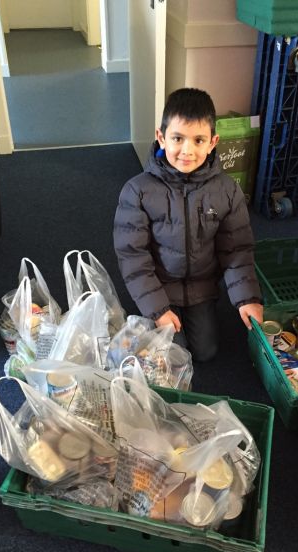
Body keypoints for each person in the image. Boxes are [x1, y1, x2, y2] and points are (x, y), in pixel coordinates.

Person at [113, 87, 263, 362]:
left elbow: (236, 249)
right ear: (161, 137)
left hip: (202, 288)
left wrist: (247, 298)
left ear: (213, 142)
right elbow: (133, 257)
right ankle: (157, 315)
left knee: (205, 352)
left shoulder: (228, 190)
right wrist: (157, 309)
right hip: (160, 285)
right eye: (178, 138)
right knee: (173, 354)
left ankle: (190, 315)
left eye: (198, 140)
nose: (187, 151)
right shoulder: (137, 191)